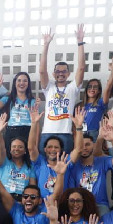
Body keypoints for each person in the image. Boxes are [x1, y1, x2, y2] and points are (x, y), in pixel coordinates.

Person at [0, 154, 67, 224]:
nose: (28, 199)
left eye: (33, 197)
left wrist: (60, 175)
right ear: (22, 199)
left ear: (40, 201)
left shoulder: (45, 212)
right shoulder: (17, 211)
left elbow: (56, 195)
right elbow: (2, 190)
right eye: (25, 196)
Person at [38, 24, 86, 154]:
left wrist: (80, 42)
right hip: (47, 133)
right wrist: (46, 45)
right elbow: (42, 71)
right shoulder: (49, 88)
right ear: (53, 74)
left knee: (65, 164)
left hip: (65, 134)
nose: (61, 74)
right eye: (58, 71)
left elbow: (81, 68)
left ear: (68, 74)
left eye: (64, 71)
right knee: (46, 164)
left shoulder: (72, 88)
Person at [67, 113, 113, 216]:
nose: (84, 148)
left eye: (88, 144)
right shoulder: (73, 165)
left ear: (93, 145)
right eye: (82, 145)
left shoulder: (102, 161)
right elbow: (72, 191)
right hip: (80, 205)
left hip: (100, 205)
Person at [29, 105, 73, 200]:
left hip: (62, 204)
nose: (53, 150)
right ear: (44, 149)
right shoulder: (40, 161)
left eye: (56, 147)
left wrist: (78, 127)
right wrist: (34, 123)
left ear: (61, 149)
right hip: (42, 204)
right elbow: (31, 148)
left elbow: (79, 150)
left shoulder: (66, 162)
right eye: (49, 147)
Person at [0, 72, 37, 152]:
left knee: (27, 156)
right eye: (19, 80)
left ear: (28, 84)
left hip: (28, 131)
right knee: (11, 155)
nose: (22, 83)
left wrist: (36, 143)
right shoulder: (8, 98)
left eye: (25, 81)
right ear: (15, 83)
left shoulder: (32, 101)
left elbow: (36, 123)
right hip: (11, 131)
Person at [0, 113, 36, 198]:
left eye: (20, 147)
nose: (16, 149)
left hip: (22, 199)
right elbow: (0, 148)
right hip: (5, 198)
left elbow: (33, 188)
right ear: (10, 149)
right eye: (14, 146)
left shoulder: (29, 167)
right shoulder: (4, 162)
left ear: (25, 151)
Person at [80, 58, 113, 141]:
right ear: (86, 89)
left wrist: (112, 72)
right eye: (90, 87)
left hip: (95, 133)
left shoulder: (101, 103)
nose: (92, 89)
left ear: (99, 90)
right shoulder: (80, 105)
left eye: (95, 87)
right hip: (81, 133)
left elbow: (108, 88)